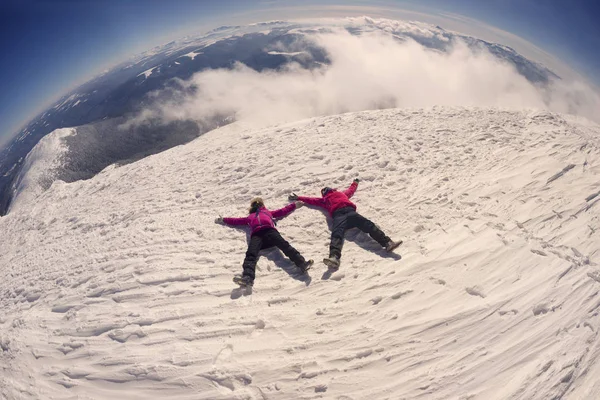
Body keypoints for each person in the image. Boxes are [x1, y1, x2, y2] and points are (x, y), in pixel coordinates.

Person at [289, 178, 401, 270]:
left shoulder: (339, 194)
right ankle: (334, 258)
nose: (325, 193)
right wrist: (298, 197)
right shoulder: (325, 200)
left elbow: (351, 190)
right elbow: (311, 200)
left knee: (367, 226)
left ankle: (387, 243)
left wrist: (355, 183)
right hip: (340, 215)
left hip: (347, 213)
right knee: (339, 233)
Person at [215, 197, 313, 287]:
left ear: (262, 205)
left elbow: (282, 211)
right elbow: (236, 221)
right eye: (255, 204)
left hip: (270, 231)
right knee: (251, 254)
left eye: (259, 203)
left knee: (284, 246)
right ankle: (247, 278)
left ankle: (302, 263)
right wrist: (223, 219)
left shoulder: (268, 213)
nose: (257, 205)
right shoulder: (250, 217)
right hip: (257, 235)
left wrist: (294, 205)